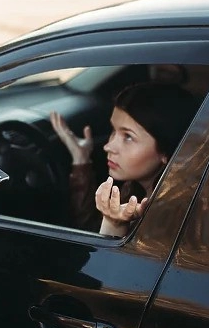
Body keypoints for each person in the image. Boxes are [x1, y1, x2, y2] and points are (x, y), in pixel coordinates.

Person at [50, 82, 199, 237]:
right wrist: (80, 158)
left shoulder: (171, 218)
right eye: (114, 131)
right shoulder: (134, 187)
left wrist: (115, 225)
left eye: (128, 137)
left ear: (166, 152)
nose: (108, 146)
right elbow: (90, 231)